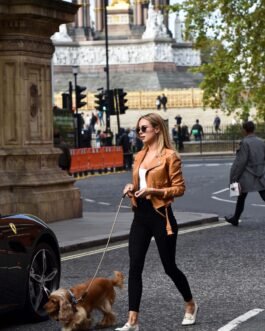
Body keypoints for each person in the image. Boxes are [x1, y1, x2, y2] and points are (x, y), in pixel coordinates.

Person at [115, 113, 198, 331]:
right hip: (140, 216)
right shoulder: (139, 155)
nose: (140, 132)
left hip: (162, 216)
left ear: (157, 129)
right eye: (138, 129)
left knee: (169, 267)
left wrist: (154, 191)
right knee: (135, 267)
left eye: (144, 128)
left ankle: (190, 303)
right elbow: (138, 182)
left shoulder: (170, 156)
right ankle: (132, 321)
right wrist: (131, 187)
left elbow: (179, 189)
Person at [225, 121, 265, 226]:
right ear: (253, 129)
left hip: (247, 174)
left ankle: (235, 218)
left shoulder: (244, 143)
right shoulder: (261, 142)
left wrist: (235, 177)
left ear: (244, 130)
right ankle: (235, 218)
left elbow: (241, 162)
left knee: (241, 197)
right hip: (260, 173)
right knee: (263, 194)